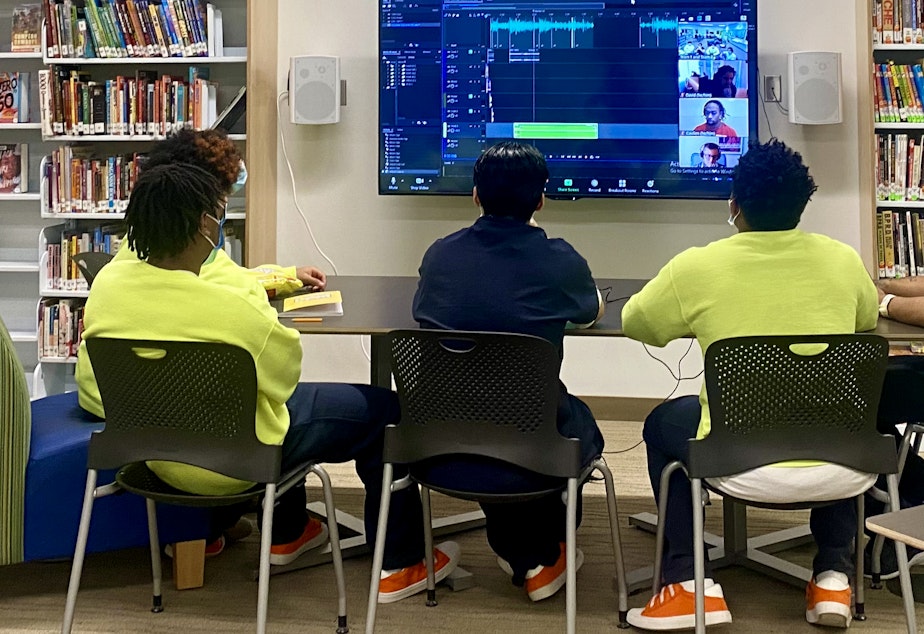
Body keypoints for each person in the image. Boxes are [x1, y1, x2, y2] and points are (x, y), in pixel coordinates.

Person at [74, 160, 460, 605]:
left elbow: (96, 378)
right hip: (235, 468)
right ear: (205, 223)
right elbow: (282, 381)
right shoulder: (233, 303)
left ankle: (290, 532)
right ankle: (401, 562)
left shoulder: (107, 286)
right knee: (382, 412)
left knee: (278, 412)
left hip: (154, 460)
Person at [622, 139, 879, 630]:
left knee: (663, 424)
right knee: (840, 413)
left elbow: (638, 323)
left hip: (732, 460)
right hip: (840, 464)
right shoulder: (843, 261)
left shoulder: (697, 266)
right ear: (804, 205)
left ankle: (687, 580)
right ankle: (833, 575)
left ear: (734, 204)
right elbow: (866, 317)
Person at [412, 141, 605, 603]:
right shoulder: (558, 259)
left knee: (493, 412)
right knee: (579, 426)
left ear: (475, 195)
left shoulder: (440, 255)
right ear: (541, 199)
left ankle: (527, 554)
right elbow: (587, 311)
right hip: (531, 432)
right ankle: (542, 555)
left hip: (439, 433)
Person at [113, 128, 327, 295]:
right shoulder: (196, 251)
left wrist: (288, 275)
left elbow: (232, 277)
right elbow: (239, 283)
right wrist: (288, 279)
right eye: (220, 203)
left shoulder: (133, 247)